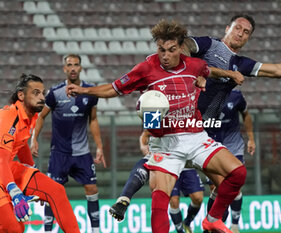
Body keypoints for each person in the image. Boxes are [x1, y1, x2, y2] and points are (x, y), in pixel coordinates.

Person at [66, 19, 248, 233]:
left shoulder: (194, 65)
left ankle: (212, 219)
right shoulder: (146, 68)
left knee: (238, 173)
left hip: (196, 136)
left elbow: (208, 70)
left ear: (181, 48)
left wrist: (227, 74)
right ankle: (129, 198)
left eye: (171, 50)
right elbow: (113, 89)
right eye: (161, 50)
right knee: (159, 202)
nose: (165, 56)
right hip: (165, 143)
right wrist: (84, 90)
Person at [183, 14, 281, 233]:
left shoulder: (240, 63)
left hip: (202, 133)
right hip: (179, 123)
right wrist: (199, 70)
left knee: (229, 182)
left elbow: (277, 71)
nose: (240, 33)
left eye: (246, 32)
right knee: (163, 183)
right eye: (238, 28)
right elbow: (183, 46)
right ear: (228, 28)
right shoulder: (209, 45)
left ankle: (211, 223)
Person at [30, 54, 106, 233]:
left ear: (80, 68)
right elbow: (41, 116)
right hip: (59, 153)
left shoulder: (90, 91)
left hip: (82, 153)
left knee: (92, 188)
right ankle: (48, 230)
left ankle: (96, 230)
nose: (72, 68)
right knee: (51, 192)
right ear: (64, 69)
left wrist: (99, 146)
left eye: (76, 65)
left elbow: (93, 120)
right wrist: (34, 138)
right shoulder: (55, 93)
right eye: (69, 65)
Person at [0, 74, 80, 232]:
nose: (42, 97)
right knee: (15, 228)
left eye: (43, 93)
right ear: (21, 95)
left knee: (55, 191)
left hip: (7, 168)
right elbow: (1, 158)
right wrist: (15, 192)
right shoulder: (8, 117)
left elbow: (21, 144)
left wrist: (33, 173)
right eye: (36, 93)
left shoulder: (32, 116)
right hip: (2, 166)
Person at [204, 89, 255, 233]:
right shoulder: (202, 95)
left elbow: (246, 115)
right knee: (216, 188)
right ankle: (213, 225)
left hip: (233, 146)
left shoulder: (236, 95)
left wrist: (251, 138)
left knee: (234, 188)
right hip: (211, 146)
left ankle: (234, 225)